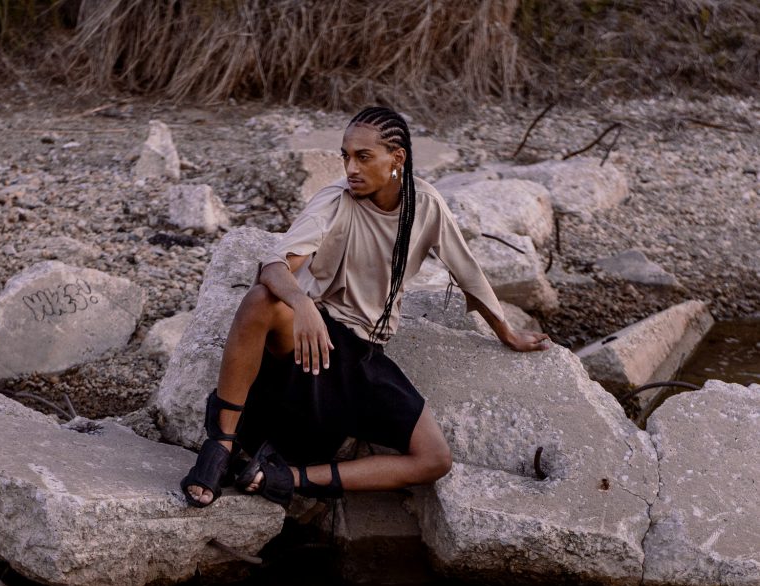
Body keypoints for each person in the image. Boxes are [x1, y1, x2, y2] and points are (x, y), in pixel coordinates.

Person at [182, 105, 550, 509]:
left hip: (361, 358)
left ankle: (289, 478)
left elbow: (469, 273)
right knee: (260, 300)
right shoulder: (335, 199)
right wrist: (302, 304)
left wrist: (507, 333)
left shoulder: (425, 205)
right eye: (345, 155)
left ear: (398, 159)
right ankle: (218, 447)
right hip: (309, 340)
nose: (350, 167)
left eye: (363, 156)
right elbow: (274, 265)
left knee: (435, 458)